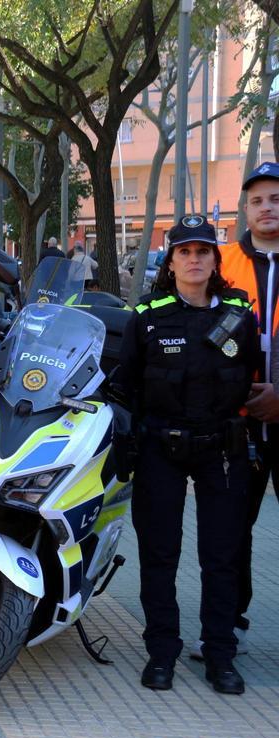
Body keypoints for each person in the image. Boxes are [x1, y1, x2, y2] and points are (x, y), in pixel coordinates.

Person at [120, 215, 257, 695]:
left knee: (221, 556)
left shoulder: (241, 314)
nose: (194, 259)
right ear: (170, 260)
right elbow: (125, 386)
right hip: (161, 448)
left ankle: (220, 654)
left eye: (203, 251)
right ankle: (162, 652)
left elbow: (252, 379)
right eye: (185, 251)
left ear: (216, 260)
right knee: (160, 555)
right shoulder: (148, 316)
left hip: (223, 449)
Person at [219, 161, 279, 659]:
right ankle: (226, 623)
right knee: (231, 524)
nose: (266, 208)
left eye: (275, 199)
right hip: (237, 420)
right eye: (257, 200)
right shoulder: (220, 262)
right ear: (245, 208)